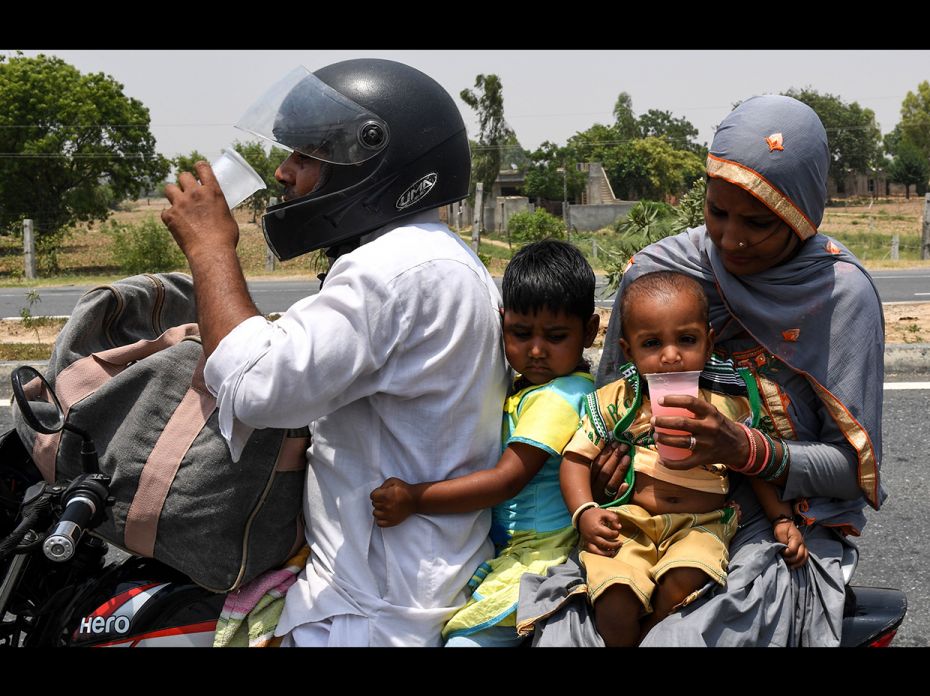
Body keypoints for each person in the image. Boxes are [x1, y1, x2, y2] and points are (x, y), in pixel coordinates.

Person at [160, 59, 510, 646]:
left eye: (306, 156)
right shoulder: (432, 256)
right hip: (401, 579)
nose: (283, 172)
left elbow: (257, 385)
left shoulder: (394, 269)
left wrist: (211, 249)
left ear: (372, 160)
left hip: (372, 608)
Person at [518, 94, 885, 647]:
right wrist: (606, 472)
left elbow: (850, 466)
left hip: (772, 522)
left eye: (759, 222)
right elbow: (613, 408)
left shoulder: (841, 295)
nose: (731, 239)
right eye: (717, 212)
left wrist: (746, 450)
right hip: (640, 512)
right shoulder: (660, 273)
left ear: (802, 212)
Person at [370, 239, 599, 647]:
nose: (535, 350)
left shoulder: (560, 397)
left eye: (556, 336)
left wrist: (415, 498)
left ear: (590, 331)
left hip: (540, 558)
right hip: (518, 553)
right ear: (501, 322)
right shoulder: (529, 389)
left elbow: (505, 482)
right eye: (520, 333)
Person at [561, 270, 807, 646]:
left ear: (709, 343)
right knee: (614, 601)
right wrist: (586, 513)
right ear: (629, 351)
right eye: (652, 343)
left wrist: (781, 517)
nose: (671, 356)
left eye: (687, 340)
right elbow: (576, 458)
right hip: (629, 523)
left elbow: (751, 465)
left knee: (685, 580)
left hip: (701, 524)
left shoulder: (728, 400)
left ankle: (649, 633)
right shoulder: (620, 400)